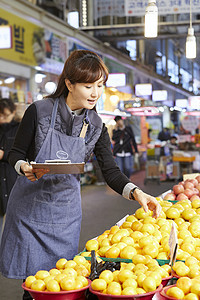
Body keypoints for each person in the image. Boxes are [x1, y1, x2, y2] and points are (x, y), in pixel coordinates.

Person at [0, 50, 161, 300]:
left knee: (62, 282)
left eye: (100, 85)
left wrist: (137, 193)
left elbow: (110, 170)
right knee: (35, 287)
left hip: (65, 216)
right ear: (69, 84)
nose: (95, 93)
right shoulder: (39, 111)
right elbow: (15, 152)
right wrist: (23, 166)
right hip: (30, 214)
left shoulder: (96, 125)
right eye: (88, 86)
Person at [0, 98, 19, 217]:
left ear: (13, 112)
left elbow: (25, 154)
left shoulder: (20, 129)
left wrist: (4, 155)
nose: (1, 119)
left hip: (14, 182)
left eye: (5, 116)